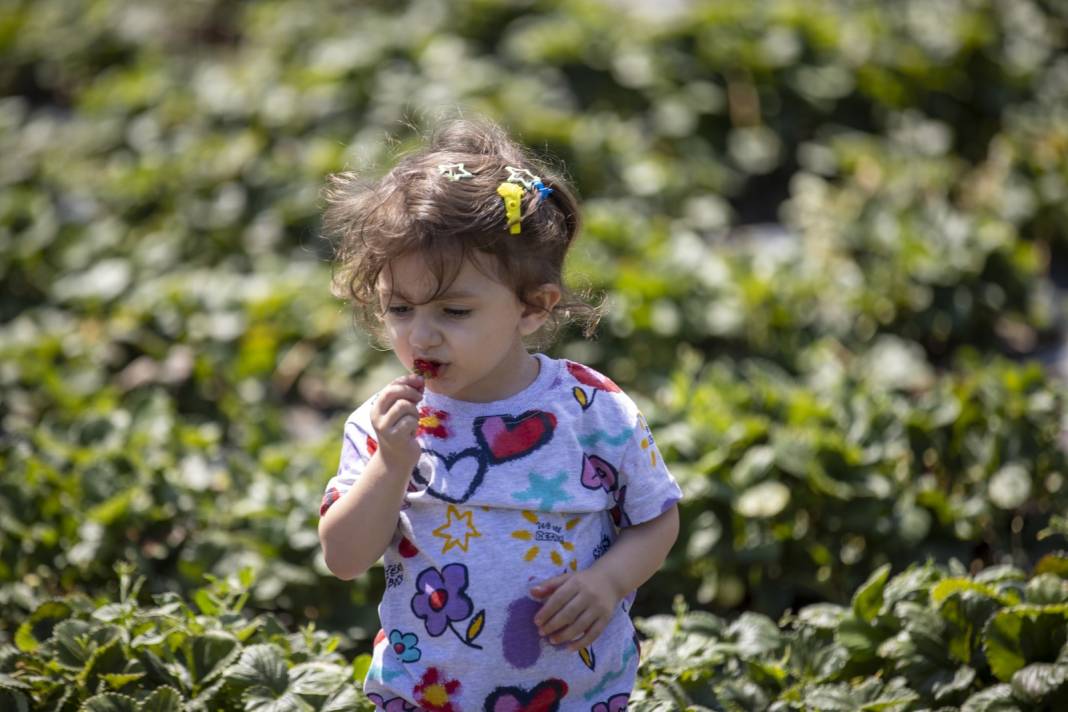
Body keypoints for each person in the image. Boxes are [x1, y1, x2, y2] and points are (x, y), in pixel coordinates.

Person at [317, 117, 682, 711]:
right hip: (426, 694)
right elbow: (344, 557)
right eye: (400, 308)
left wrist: (609, 580)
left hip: (575, 693)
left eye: (455, 312)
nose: (422, 335)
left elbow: (656, 517)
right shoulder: (385, 425)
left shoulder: (593, 410)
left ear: (533, 308)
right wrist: (391, 465)